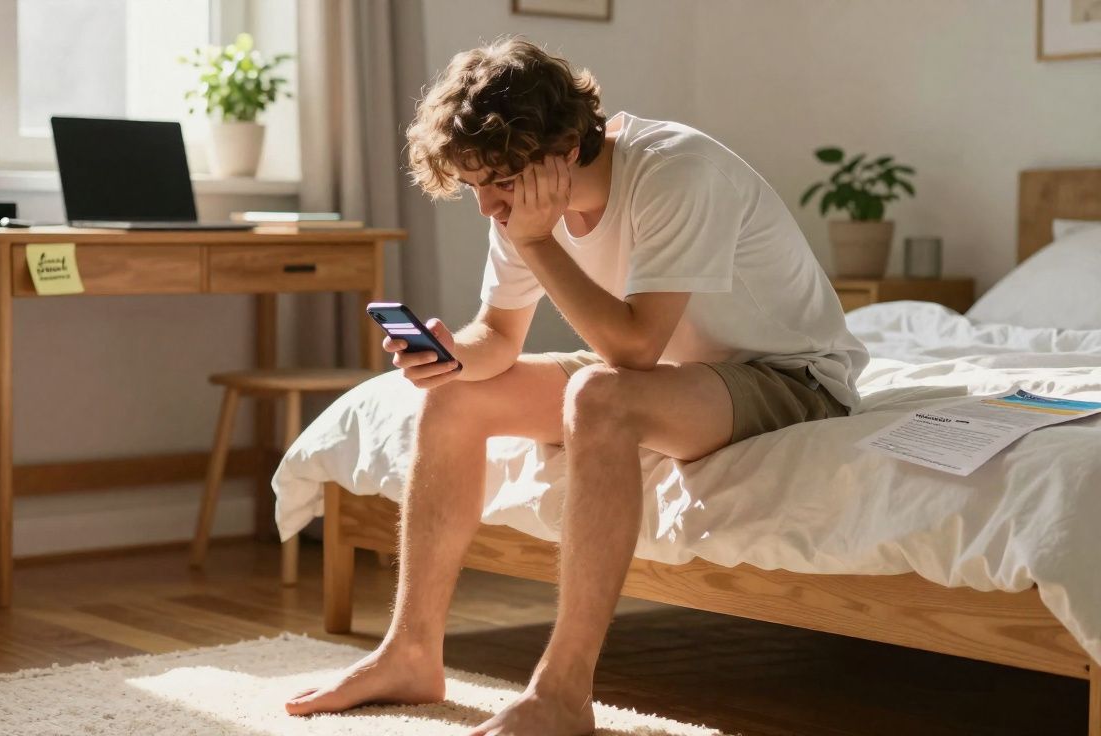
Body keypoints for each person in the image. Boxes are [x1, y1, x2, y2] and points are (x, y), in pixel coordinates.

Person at [285, 37, 868, 736]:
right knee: (456, 397)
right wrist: (447, 355)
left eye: (494, 185)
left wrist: (537, 240)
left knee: (599, 393)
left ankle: (563, 690)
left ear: (560, 147)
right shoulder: (520, 198)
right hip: (676, 378)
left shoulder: (678, 171)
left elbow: (632, 348)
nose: (486, 207)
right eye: (473, 188)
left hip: (788, 376)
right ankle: (410, 650)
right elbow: (498, 336)